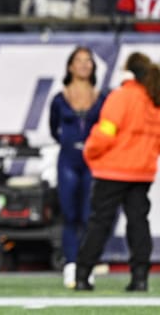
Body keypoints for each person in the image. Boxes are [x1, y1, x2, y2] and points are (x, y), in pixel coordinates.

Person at [75, 52, 160, 292]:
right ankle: (140, 277)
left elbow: (105, 133)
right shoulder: (155, 100)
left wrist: (90, 152)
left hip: (112, 170)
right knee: (138, 224)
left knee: (99, 223)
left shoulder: (121, 97)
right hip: (142, 173)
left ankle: (83, 275)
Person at [49, 46, 107, 289]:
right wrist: (68, 143)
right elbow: (54, 129)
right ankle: (71, 265)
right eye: (79, 61)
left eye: (88, 61)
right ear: (70, 66)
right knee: (70, 215)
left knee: (88, 215)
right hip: (69, 159)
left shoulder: (101, 98)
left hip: (92, 161)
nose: (84, 65)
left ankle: (87, 265)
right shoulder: (60, 98)